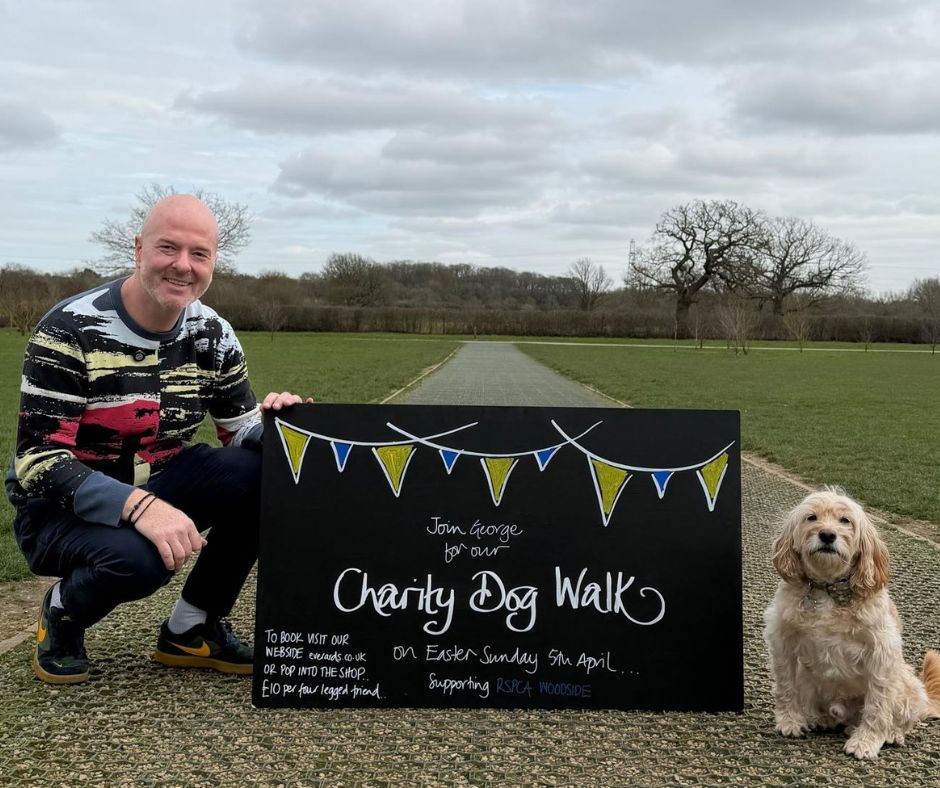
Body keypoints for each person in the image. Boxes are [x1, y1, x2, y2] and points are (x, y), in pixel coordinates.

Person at [5, 194, 308, 684]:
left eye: (199, 254)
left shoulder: (213, 333)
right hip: (57, 509)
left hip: (158, 482)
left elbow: (239, 429)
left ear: (213, 262)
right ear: (139, 249)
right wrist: (140, 508)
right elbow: (38, 460)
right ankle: (62, 612)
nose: (183, 266)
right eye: (169, 248)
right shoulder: (69, 329)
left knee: (264, 471)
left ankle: (191, 628)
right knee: (141, 560)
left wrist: (285, 426)